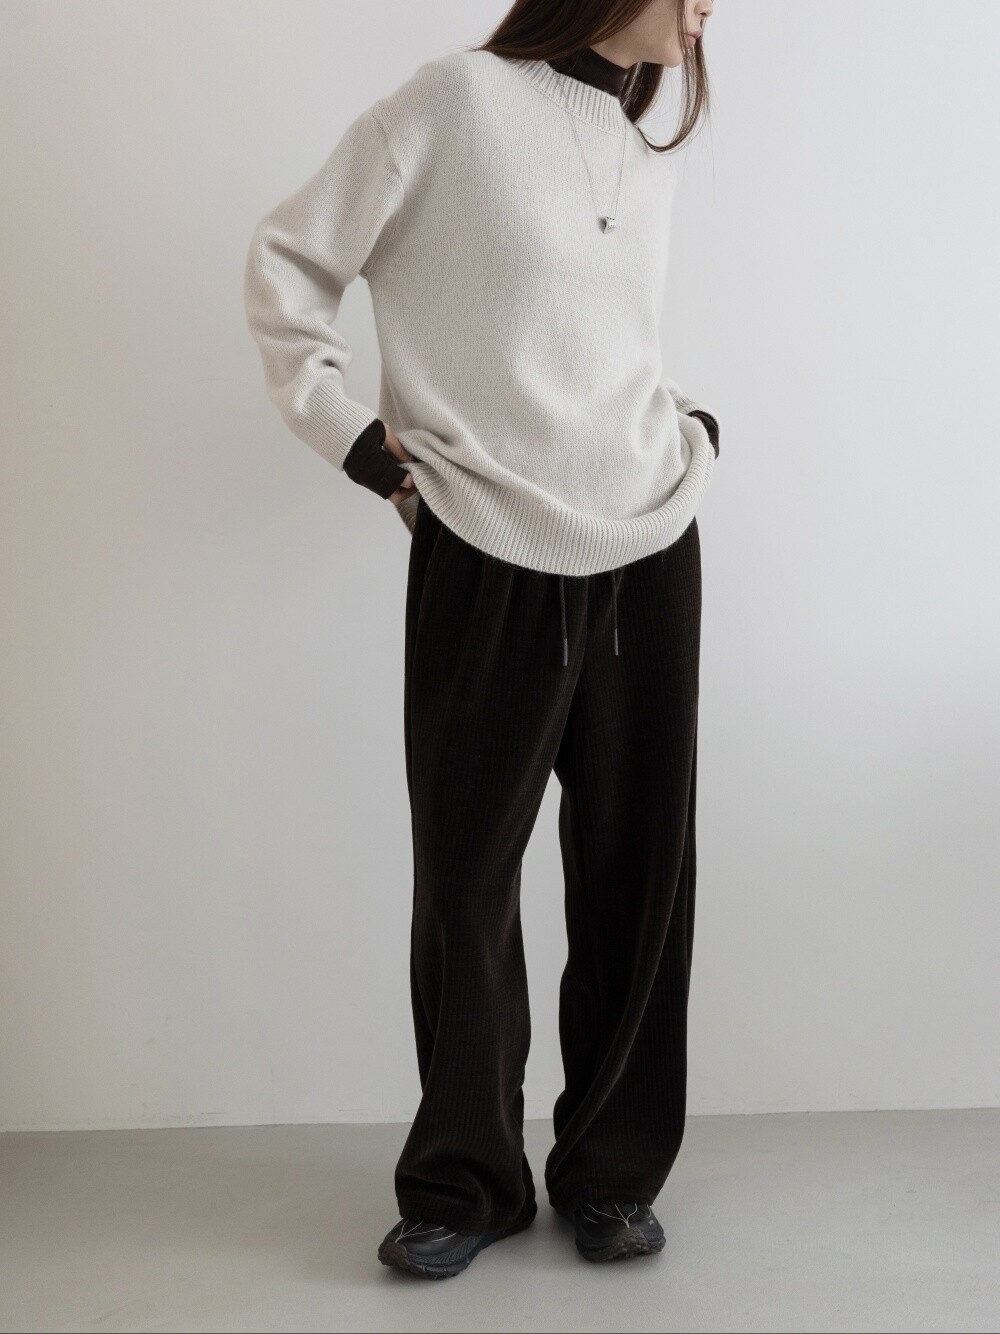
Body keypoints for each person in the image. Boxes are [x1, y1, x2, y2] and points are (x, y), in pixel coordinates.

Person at [244, 0, 720, 1279]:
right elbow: (288, 260)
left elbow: (597, 343)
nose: (709, 9)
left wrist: (685, 424)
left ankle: (611, 1173)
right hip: (484, 542)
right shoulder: (455, 103)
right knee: (465, 881)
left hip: (648, 543)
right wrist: (354, 438)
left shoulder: (646, 142)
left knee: (638, 877)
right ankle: (467, 1178)